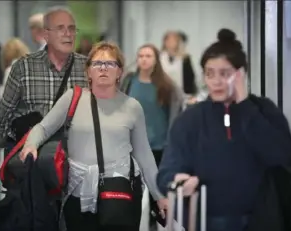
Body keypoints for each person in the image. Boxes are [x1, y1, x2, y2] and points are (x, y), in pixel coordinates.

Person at [157, 29, 291, 231]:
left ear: (241, 74)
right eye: (209, 73)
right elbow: (167, 171)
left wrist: (244, 104)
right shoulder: (190, 118)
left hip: (261, 217)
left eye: (225, 74)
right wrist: (177, 179)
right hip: (207, 218)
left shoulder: (263, 110)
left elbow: (280, 155)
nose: (216, 81)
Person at [20, 41, 167, 231]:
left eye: (110, 63)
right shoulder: (73, 98)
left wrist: (159, 195)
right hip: (78, 191)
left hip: (119, 192)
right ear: (88, 71)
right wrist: (31, 144)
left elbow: (144, 154)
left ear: (119, 72)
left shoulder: (132, 107)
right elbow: (43, 128)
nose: (103, 68)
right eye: (97, 63)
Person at [0, 6, 88, 191]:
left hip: (73, 164)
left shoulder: (87, 68)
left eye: (72, 29)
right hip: (29, 163)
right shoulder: (23, 68)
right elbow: (2, 118)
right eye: (60, 28)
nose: (68, 34)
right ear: (46, 34)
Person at [120, 44, 182, 230]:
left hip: (158, 146)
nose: (144, 59)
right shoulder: (129, 81)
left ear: (155, 59)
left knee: (158, 192)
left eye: (148, 55)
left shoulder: (166, 85)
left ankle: (160, 226)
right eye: (140, 55)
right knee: (135, 192)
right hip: (132, 145)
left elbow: (176, 111)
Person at [160, 31, 197, 106]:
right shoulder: (159, 57)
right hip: (164, 94)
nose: (170, 43)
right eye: (168, 40)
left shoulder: (184, 58)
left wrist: (190, 95)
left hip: (181, 95)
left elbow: (190, 77)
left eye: (173, 40)